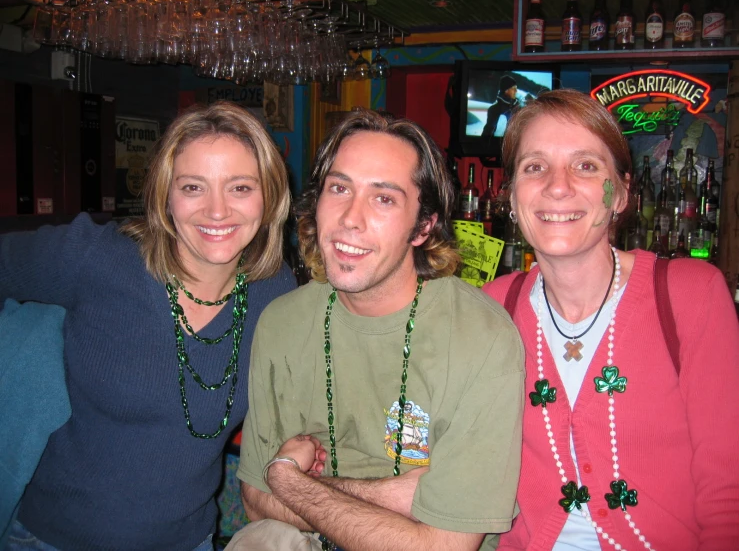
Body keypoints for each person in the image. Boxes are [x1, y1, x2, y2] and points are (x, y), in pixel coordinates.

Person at [0, 101, 296, 550]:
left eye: (239, 187)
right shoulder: (100, 258)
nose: (217, 211)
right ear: (165, 195)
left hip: (188, 541)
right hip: (53, 540)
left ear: (269, 196)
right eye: (193, 187)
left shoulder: (274, 291)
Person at [228, 110, 524, 551]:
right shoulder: (282, 322)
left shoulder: (482, 337)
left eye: (384, 199)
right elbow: (256, 498)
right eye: (339, 188)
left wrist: (289, 481)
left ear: (423, 226)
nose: (351, 218)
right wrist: (390, 496)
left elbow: (445, 543)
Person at [483, 88, 739, 550]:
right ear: (512, 194)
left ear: (620, 193)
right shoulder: (491, 309)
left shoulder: (690, 296)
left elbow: (728, 496)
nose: (556, 186)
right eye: (534, 167)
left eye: (585, 165)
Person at [481, 74, 519, 139]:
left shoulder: (518, 109)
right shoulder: (494, 109)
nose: (516, 91)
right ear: (506, 90)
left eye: (516, 88)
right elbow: (487, 135)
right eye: (513, 88)